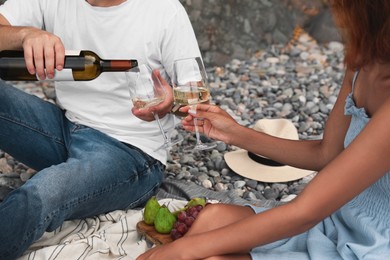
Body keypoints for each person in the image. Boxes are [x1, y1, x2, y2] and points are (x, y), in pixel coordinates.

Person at [137, 0, 390, 259]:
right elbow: (326, 154)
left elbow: (305, 213)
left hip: (373, 242)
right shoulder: (361, 63)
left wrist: (180, 251)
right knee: (211, 218)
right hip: (335, 218)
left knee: (204, 254)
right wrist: (233, 133)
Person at [0, 0, 201, 258]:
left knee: (43, 191)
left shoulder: (164, 10)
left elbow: (196, 98)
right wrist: (26, 34)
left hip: (130, 153)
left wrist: (171, 105)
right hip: (65, 129)